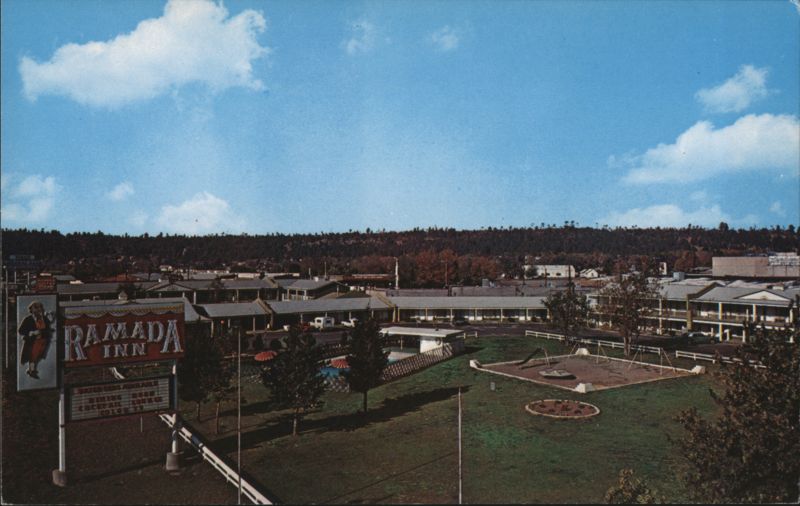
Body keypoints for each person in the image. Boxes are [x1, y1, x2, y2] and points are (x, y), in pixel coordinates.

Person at [18, 300, 54, 379]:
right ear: (32, 310)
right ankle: (32, 371)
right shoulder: (27, 319)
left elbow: (48, 327)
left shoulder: (44, 319)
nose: (38, 311)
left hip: (43, 341)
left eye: (40, 309)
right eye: (36, 309)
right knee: (32, 357)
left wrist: (48, 330)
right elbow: (20, 331)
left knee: (38, 357)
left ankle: (31, 369)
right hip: (33, 342)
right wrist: (31, 332)